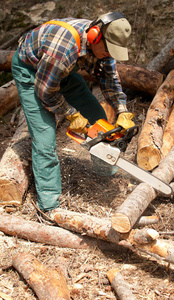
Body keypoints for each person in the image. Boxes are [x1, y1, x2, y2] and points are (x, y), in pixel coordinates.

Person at [11, 11, 135, 212]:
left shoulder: (103, 48)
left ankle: (105, 170)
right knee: (45, 137)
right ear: (95, 35)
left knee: (98, 117)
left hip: (62, 70)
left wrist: (122, 110)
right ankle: (49, 206)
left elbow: (110, 80)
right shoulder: (64, 48)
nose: (110, 54)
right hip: (32, 71)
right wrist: (71, 114)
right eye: (108, 49)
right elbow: (45, 91)